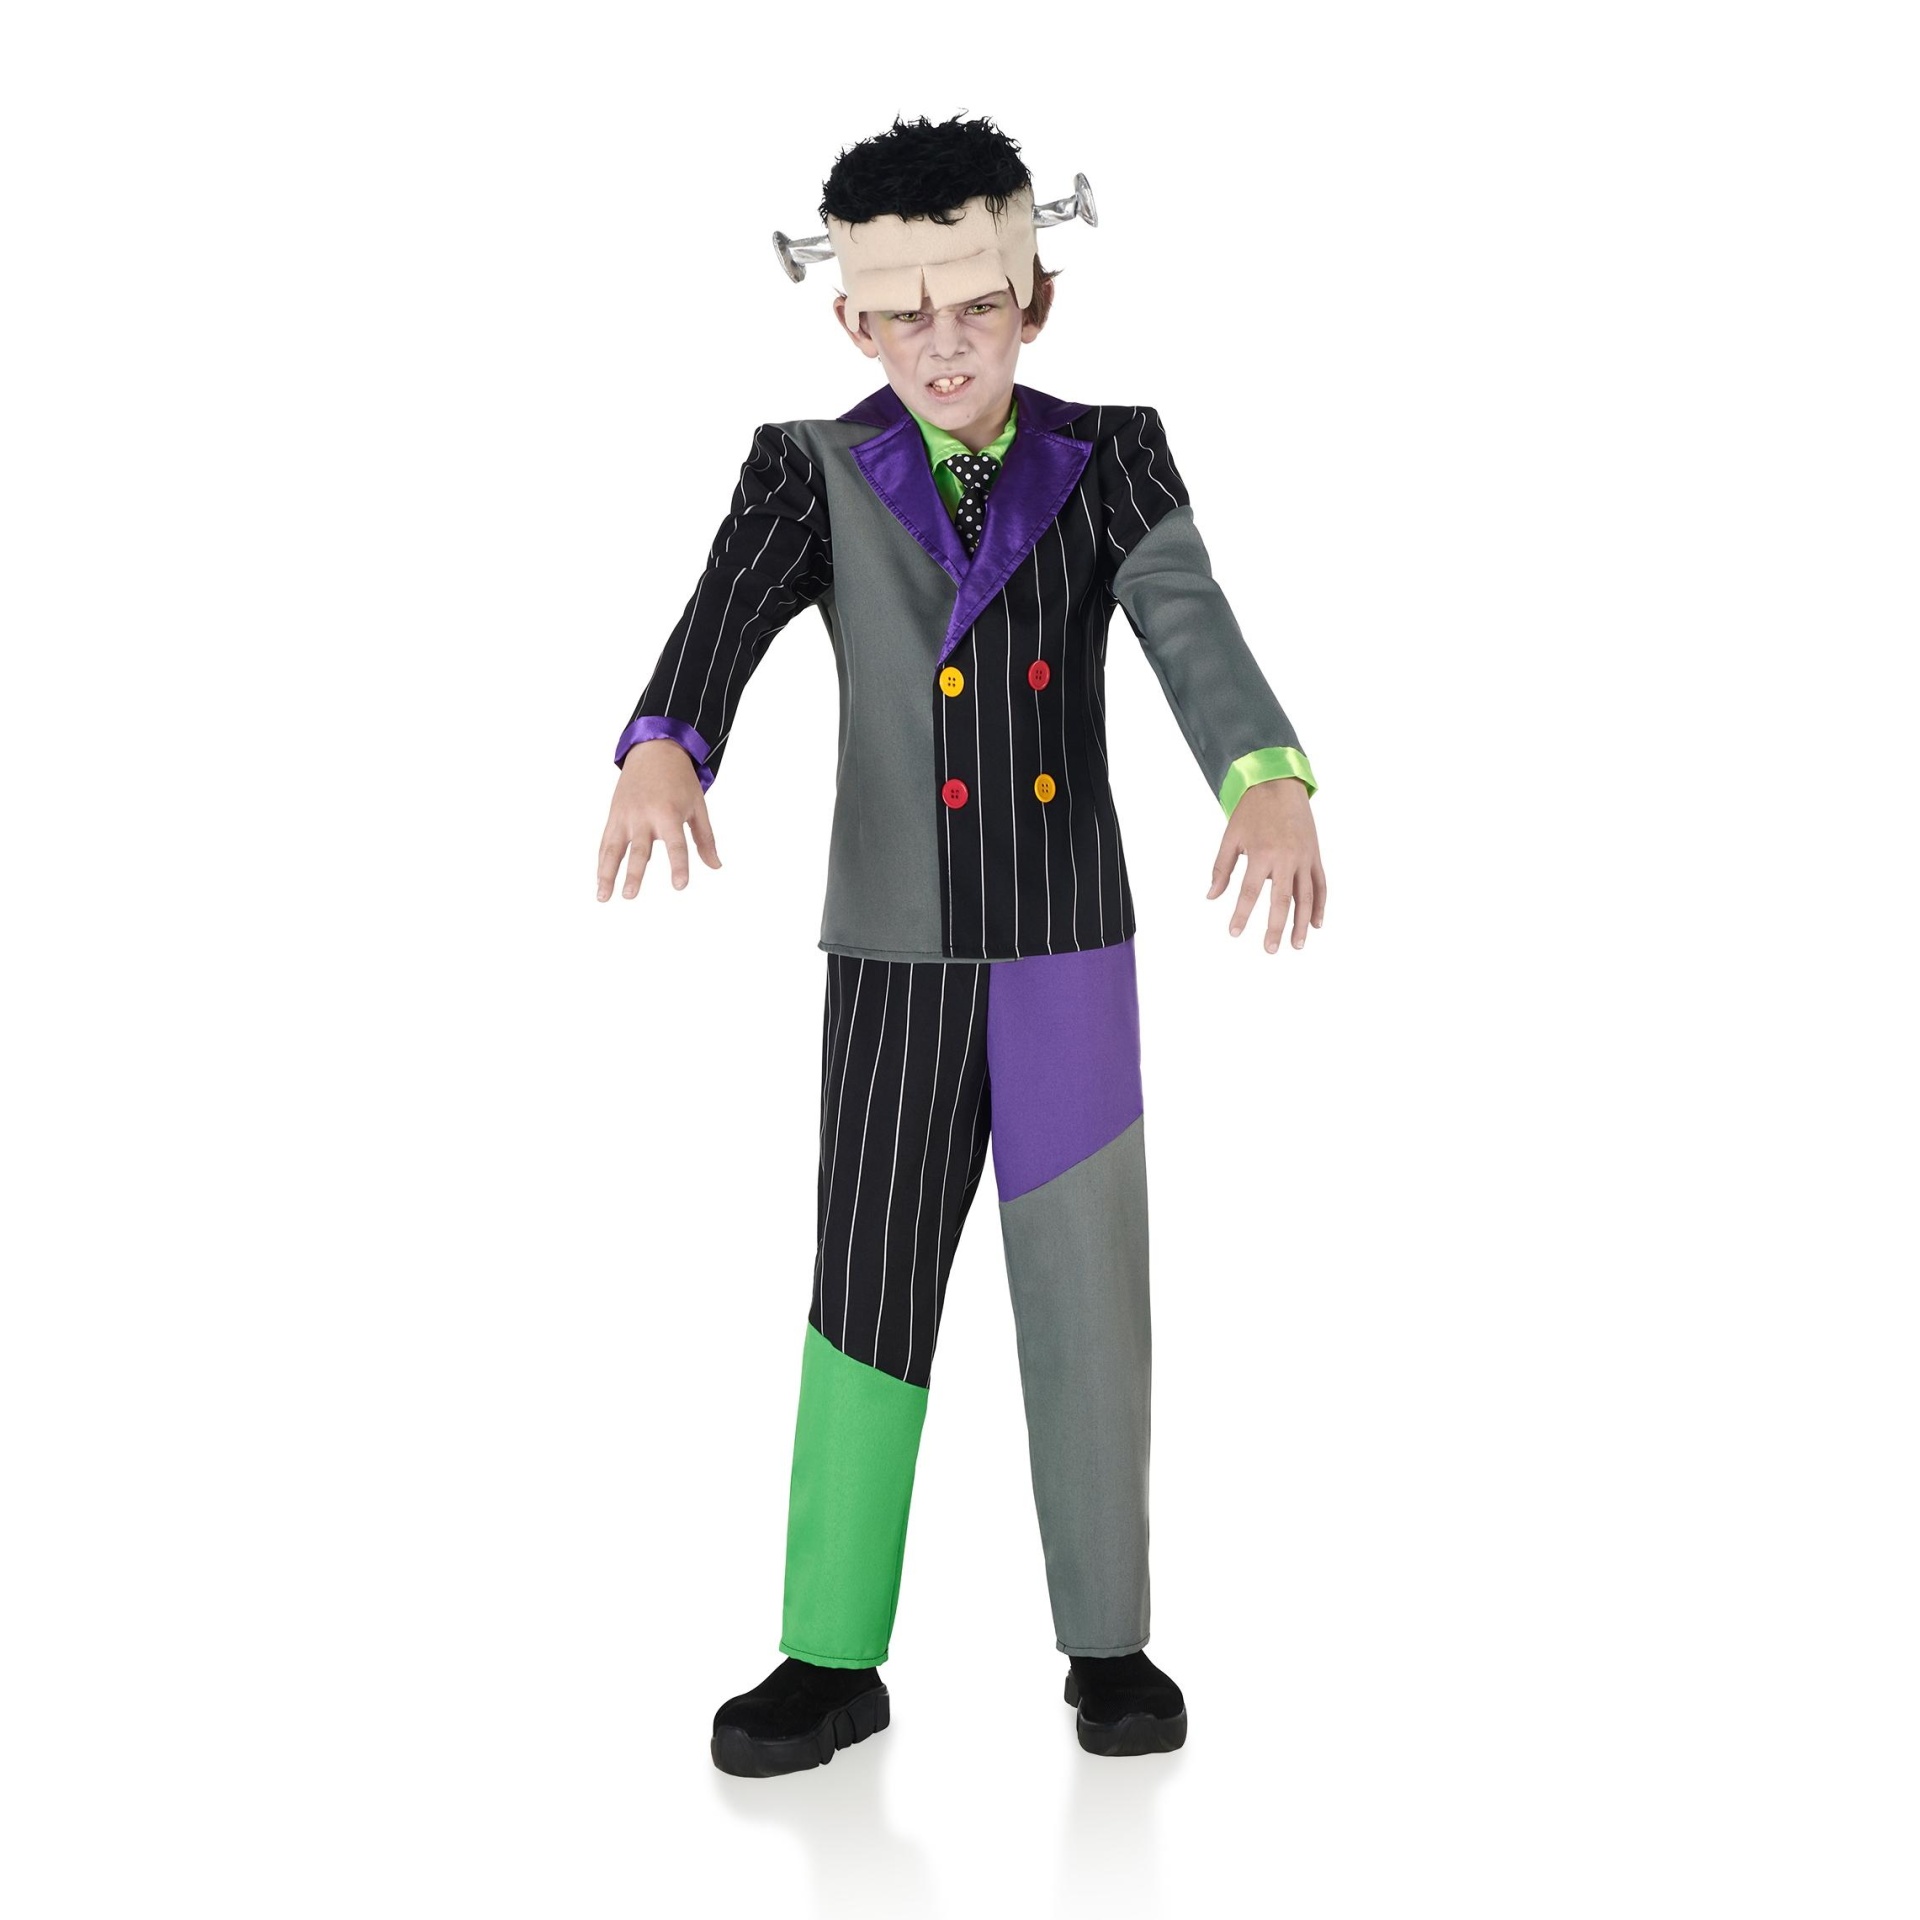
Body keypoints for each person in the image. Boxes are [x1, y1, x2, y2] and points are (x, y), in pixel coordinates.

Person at [595, 114, 1327, 1775]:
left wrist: (1265, 774)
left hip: (1067, 942)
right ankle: (828, 1655)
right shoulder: (806, 467)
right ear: (852, 318)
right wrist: (665, 742)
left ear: (1033, 299)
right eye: (905, 315)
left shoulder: (1115, 454)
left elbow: (1190, 621)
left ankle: (1111, 1644)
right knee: (862, 1293)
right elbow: (726, 607)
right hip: (893, 950)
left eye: (976, 307)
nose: (944, 344)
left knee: (1090, 1296)